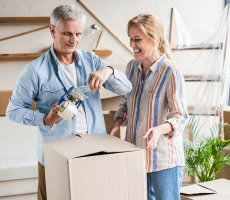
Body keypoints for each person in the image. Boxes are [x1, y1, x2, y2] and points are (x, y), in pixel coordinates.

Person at [6, 5, 132, 200]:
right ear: (52, 30)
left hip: (93, 152)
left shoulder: (92, 61)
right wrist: (46, 119)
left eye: (78, 34)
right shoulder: (35, 70)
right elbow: (13, 111)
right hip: (55, 157)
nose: (74, 40)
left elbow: (125, 88)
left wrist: (109, 71)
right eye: (67, 34)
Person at [110, 14, 188, 200]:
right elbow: (125, 100)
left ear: (155, 39)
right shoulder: (131, 67)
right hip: (135, 155)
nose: (132, 44)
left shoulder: (170, 71)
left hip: (163, 160)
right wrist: (118, 120)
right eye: (130, 38)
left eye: (137, 39)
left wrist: (159, 130)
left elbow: (181, 116)